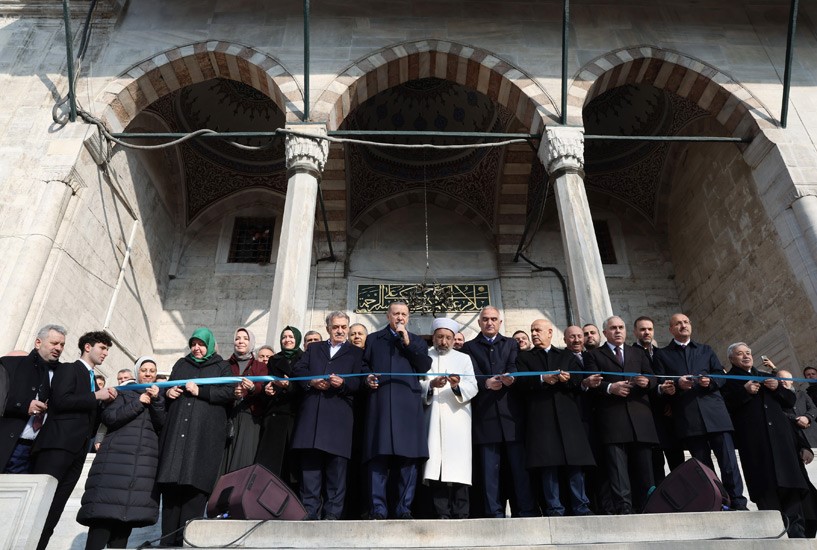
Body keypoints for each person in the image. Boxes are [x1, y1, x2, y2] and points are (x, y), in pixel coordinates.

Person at [32, 331, 117, 550]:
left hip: (78, 452)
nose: (105, 353)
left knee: (55, 510)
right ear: (88, 347)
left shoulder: (93, 383)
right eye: (103, 348)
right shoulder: (69, 368)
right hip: (56, 446)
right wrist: (96, 397)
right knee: (39, 505)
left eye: (107, 349)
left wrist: (104, 403)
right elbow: (60, 400)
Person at [653, 313, 748, 510]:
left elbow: (721, 378)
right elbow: (662, 384)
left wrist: (710, 381)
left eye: (686, 322)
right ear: (670, 329)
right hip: (689, 418)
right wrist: (678, 384)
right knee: (703, 467)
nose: (683, 326)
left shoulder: (706, 350)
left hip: (715, 415)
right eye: (678, 324)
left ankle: (738, 502)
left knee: (729, 463)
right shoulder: (662, 355)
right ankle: (716, 502)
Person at [77, 355, 166, 550]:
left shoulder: (159, 397)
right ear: (137, 373)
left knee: (124, 524)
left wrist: (156, 401)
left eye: (152, 371)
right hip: (113, 466)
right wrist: (139, 403)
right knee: (102, 521)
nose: (148, 374)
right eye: (144, 370)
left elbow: (162, 425)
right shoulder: (123, 392)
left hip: (140, 469)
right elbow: (110, 418)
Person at [156, 327, 233, 547]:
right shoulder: (182, 364)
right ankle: (166, 543)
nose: (197, 348)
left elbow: (229, 392)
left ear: (209, 345)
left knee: (193, 499)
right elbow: (169, 387)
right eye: (194, 344)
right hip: (176, 446)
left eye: (201, 344)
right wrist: (168, 393)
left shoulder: (221, 366)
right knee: (170, 502)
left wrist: (202, 392)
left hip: (201, 443)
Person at [721, 345, 807, 537]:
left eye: (749, 353)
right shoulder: (728, 382)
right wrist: (744, 392)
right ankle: (775, 537)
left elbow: (790, 402)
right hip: (755, 446)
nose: (746, 356)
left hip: (781, 445)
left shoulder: (766, 376)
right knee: (766, 492)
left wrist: (778, 388)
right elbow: (725, 407)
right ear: (731, 359)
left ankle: (798, 537)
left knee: (792, 493)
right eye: (740, 354)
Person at [461, 306, 536, 518]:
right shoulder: (469, 347)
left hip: (510, 416)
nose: (490, 322)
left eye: (494, 319)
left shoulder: (511, 343)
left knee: (519, 469)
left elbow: (513, 365)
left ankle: (526, 510)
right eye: (485, 319)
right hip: (485, 417)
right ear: (479, 322)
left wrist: (511, 378)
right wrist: (486, 383)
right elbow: (472, 375)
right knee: (489, 472)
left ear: (500, 322)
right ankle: (493, 512)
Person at [517, 319, 594, 516]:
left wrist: (568, 379)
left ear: (550, 332)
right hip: (541, 418)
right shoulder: (525, 358)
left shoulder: (566, 355)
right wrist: (542, 379)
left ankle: (580, 505)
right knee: (547, 464)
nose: (534, 334)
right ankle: (554, 507)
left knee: (574, 463)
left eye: (538, 330)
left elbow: (579, 380)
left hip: (568, 417)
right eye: (532, 330)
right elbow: (521, 383)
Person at [291, 311, 363, 520]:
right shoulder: (314, 349)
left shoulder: (356, 353)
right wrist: (312, 381)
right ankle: (309, 515)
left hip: (338, 420)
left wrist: (344, 384)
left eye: (343, 327)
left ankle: (332, 517)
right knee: (310, 473)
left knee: (337, 474)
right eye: (335, 327)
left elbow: (359, 383)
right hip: (312, 419)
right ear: (328, 329)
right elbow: (298, 370)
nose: (340, 331)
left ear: (348, 329)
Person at [363, 301, 431, 519]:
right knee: (378, 457)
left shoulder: (417, 341)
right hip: (380, 404)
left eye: (404, 314)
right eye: (396, 314)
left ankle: (404, 508)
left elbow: (424, 366)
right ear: (387, 316)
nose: (400, 317)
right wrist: (367, 377)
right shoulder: (373, 339)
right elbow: (364, 365)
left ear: (408, 318)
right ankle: (379, 509)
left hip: (407, 407)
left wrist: (408, 342)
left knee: (408, 459)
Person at [584, 316, 658, 514]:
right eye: (613, 328)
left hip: (640, 419)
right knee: (617, 470)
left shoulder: (638, 353)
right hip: (612, 420)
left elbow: (652, 377)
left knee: (644, 469)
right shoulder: (594, 355)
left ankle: (647, 505)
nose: (618, 331)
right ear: (605, 332)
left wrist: (647, 382)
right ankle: (624, 507)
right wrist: (610, 388)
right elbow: (592, 383)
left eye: (621, 327)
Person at [420, 318, 478, 519]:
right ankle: (441, 512)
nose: (443, 342)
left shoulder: (463, 359)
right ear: (433, 338)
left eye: (447, 338)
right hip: (433, 416)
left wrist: (455, 386)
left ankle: (462, 512)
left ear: (454, 339)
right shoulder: (424, 357)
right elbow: (418, 384)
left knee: (459, 468)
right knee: (436, 466)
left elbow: (473, 386)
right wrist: (431, 385)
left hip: (457, 418)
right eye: (439, 337)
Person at [0, 325, 62, 473]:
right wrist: (23, 406)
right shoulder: (10, 364)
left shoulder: (61, 373)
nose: (59, 348)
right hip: (7, 442)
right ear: (38, 343)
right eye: (54, 343)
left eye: (62, 345)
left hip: (33, 451)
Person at [632, 315, 683, 482]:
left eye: (649, 329)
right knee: (655, 464)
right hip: (646, 414)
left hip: (668, 415)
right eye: (642, 329)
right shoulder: (631, 354)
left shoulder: (664, 353)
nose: (646, 332)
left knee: (677, 461)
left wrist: (670, 402)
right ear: (635, 332)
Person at [255, 326, 303, 486]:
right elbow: (266, 383)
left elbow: (305, 386)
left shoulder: (304, 358)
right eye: (284, 337)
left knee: (292, 469)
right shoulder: (274, 360)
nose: (287, 340)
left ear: (297, 339)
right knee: (270, 466)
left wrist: (288, 386)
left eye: (291, 336)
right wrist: (267, 390)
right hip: (275, 415)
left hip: (294, 416)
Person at [223, 327, 268, 474]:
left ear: (251, 342)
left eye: (245, 338)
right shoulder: (225, 365)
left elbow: (264, 389)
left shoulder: (260, 366)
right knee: (223, 460)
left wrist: (253, 388)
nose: (240, 341)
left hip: (250, 418)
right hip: (228, 415)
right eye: (237, 338)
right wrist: (231, 393)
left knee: (243, 460)